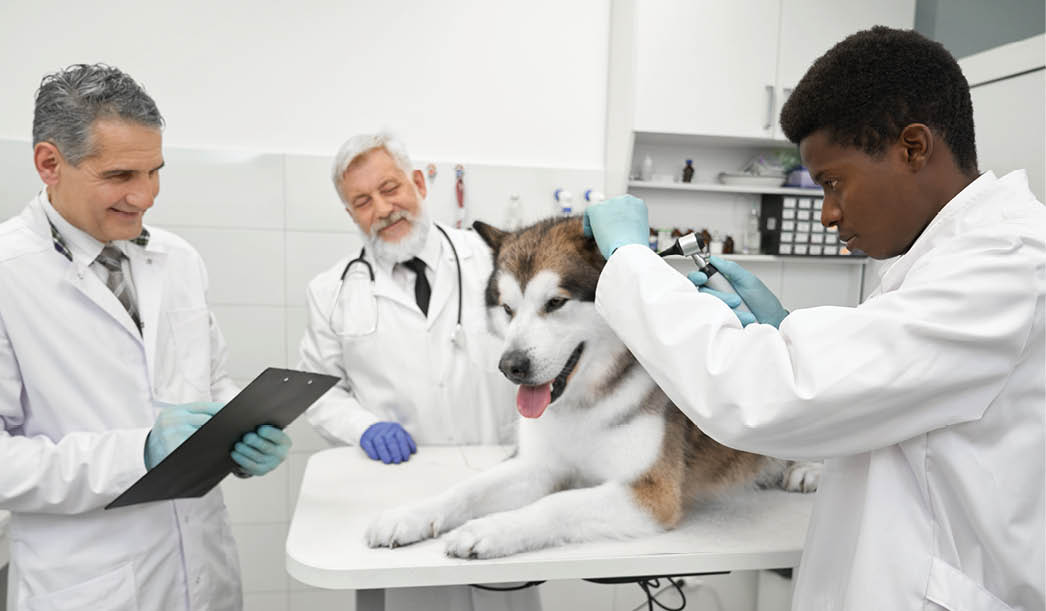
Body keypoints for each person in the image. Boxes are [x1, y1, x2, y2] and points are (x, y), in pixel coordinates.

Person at [583, 27, 1044, 611]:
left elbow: (763, 396)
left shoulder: (1007, 268)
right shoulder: (948, 260)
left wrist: (629, 261)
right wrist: (783, 331)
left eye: (832, 183)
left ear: (913, 148)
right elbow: (885, 403)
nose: (825, 213)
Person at [0, 64, 292, 610]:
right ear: (49, 163)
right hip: (89, 585)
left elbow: (209, 382)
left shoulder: (177, 259)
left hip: (203, 571)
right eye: (120, 176)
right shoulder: (8, 273)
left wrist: (241, 431)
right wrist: (139, 451)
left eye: (154, 171)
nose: (145, 195)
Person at [298, 132, 537, 610]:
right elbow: (319, 391)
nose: (384, 209)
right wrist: (364, 428)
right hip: (396, 487)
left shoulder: (493, 259)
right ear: (351, 215)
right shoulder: (331, 290)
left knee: (503, 602)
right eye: (362, 201)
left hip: (497, 479)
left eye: (391, 188)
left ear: (419, 184)